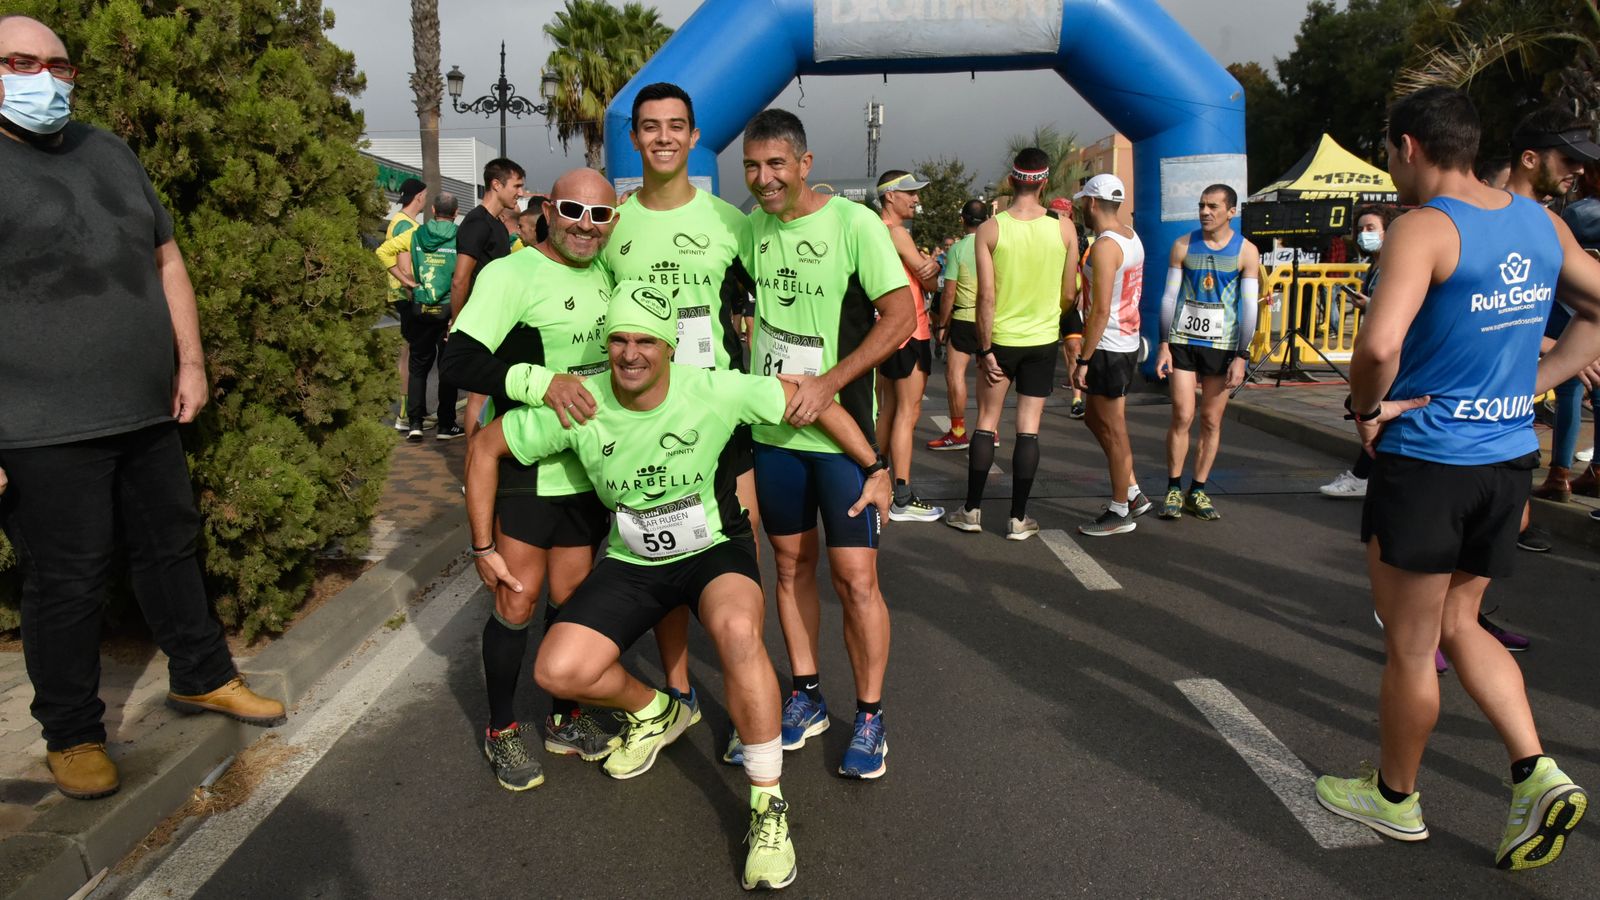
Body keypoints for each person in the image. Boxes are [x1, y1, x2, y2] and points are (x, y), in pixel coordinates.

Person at [468, 282, 890, 890]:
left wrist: (874, 468)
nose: (630, 353)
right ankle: (656, 709)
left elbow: (811, 396)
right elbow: (485, 447)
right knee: (557, 670)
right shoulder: (582, 404)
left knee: (740, 631)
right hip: (633, 560)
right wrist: (483, 545)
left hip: (713, 551)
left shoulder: (711, 388)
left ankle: (767, 803)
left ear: (669, 349)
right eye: (618, 340)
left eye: (644, 340)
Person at [0, 15, 285, 801]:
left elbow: (167, 259)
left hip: (146, 408)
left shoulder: (107, 151)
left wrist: (189, 361)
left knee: (171, 546)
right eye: (22, 61)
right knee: (68, 580)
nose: (45, 78)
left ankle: (201, 676)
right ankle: (73, 733)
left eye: (59, 65)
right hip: (39, 426)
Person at [1314, 87, 1600, 870]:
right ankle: (1534, 768)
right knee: (1461, 623)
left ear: (1409, 147)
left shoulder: (1422, 229)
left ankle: (1396, 798)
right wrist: (1541, 376)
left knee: (1411, 645)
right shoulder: (1536, 221)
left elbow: (1377, 349)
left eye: (1388, 150)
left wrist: (1366, 411)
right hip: (1508, 463)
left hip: (1431, 460)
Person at [739, 108, 915, 778]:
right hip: (774, 435)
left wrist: (831, 381)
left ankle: (869, 714)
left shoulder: (853, 224)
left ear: (804, 164)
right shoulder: (750, 226)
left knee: (857, 580)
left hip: (842, 435)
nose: (764, 179)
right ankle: (806, 694)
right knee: (787, 569)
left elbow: (899, 317)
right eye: (753, 167)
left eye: (776, 164)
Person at [439, 168, 618, 790]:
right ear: (546, 207)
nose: (584, 225)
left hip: (588, 472)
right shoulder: (509, 273)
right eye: (572, 210)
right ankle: (501, 729)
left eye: (599, 215)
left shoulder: (609, 273)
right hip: (527, 465)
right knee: (517, 600)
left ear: (613, 221)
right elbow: (456, 358)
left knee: (572, 602)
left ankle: (564, 717)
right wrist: (541, 384)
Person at [596, 81, 757, 728]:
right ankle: (680, 691)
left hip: (720, 416)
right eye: (650, 127)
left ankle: (749, 701)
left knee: (736, 562)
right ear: (634, 138)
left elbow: (768, 309)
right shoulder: (617, 224)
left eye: (676, 126)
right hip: (644, 416)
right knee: (661, 551)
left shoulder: (730, 223)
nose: (663, 137)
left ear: (694, 137)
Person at [944, 148, 1077, 541]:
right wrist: (1048, 315)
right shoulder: (1065, 228)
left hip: (1001, 339)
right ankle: (1019, 519)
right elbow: (1070, 293)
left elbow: (986, 297)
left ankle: (971, 511)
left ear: (1011, 180)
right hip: (1042, 338)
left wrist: (984, 350)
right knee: (1028, 429)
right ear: (1043, 182)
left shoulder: (991, 228)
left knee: (986, 422)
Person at [1503, 108, 1599, 553]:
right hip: (1448, 429)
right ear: (1529, 159)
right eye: (1568, 159)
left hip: (1510, 426)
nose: (1578, 170)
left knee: (1492, 548)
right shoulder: (1475, 219)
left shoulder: (1552, 225)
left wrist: (1539, 376)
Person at [1153, 184, 1261, 521]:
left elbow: (1249, 306)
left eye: (1213, 206)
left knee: (1211, 420)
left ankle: (1197, 490)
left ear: (1232, 211)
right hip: (1184, 340)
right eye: (1201, 205)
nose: (1204, 212)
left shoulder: (1247, 251)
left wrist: (1242, 356)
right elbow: (1170, 297)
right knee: (1183, 415)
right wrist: (1163, 345)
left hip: (1223, 345)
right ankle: (1173, 488)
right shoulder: (1182, 245)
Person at [1072, 174, 1151, 536]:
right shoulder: (1130, 235)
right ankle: (1132, 491)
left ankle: (1121, 508)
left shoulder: (1105, 246)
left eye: (1081, 203)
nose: (1080, 209)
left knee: (1115, 430)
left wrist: (1083, 361)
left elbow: (1100, 311)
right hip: (1124, 340)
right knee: (1092, 417)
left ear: (1091, 203)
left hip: (1109, 345)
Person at [874, 169, 944, 522]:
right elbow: (929, 279)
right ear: (890, 196)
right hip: (910, 330)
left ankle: (877, 478)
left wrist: (926, 272)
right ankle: (902, 494)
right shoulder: (896, 232)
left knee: (888, 409)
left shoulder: (874, 231)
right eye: (910, 193)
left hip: (888, 331)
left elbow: (925, 279)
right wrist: (928, 267)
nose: (917, 199)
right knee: (907, 412)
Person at [1321, 204, 1402, 499]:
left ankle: (1362, 477)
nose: (1363, 235)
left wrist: (1371, 306)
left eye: (1371, 229)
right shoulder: (1376, 265)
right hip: (1375, 351)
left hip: (1393, 355)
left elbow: (1399, 311)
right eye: (1361, 229)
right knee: (1371, 414)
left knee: (1370, 412)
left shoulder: (1396, 264)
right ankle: (1368, 476)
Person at [376, 193, 464, 441]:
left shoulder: (415, 234)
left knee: (418, 367)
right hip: (448, 309)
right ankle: (446, 425)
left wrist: (408, 282)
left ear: (434, 210)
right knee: (447, 367)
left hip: (420, 307)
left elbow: (383, 252)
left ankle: (414, 423)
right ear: (455, 213)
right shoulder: (460, 237)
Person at [451, 157, 526, 440]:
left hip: (497, 320)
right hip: (479, 322)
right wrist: (458, 322)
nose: (520, 192)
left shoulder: (496, 224)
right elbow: (460, 279)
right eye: (516, 185)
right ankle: (474, 469)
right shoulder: (476, 223)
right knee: (478, 395)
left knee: (489, 391)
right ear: (496, 184)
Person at [928, 200, 989, 451]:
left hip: (964, 318)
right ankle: (990, 429)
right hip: (992, 318)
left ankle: (958, 431)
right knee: (989, 376)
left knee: (955, 375)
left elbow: (949, 292)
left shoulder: (958, 249)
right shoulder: (995, 244)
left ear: (963, 220)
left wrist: (942, 326)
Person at [387, 177, 428, 431]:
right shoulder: (405, 225)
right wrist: (413, 288)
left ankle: (413, 410)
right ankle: (405, 413)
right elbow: (404, 264)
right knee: (411, 355)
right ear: (420, 197)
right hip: (406, 296)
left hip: (402, 295)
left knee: (410, 352)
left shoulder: (402, 221)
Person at [1051, 197, 1088, 420]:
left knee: (1073, 346)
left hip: (1070, 299)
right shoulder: (1040, 235)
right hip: (1044, 300)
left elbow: (1088, 268)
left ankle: (1077, 399)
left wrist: (1084, 291)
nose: (1057, 218)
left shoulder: (1079, 238)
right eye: (1053, 213)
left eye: (1061, 214)